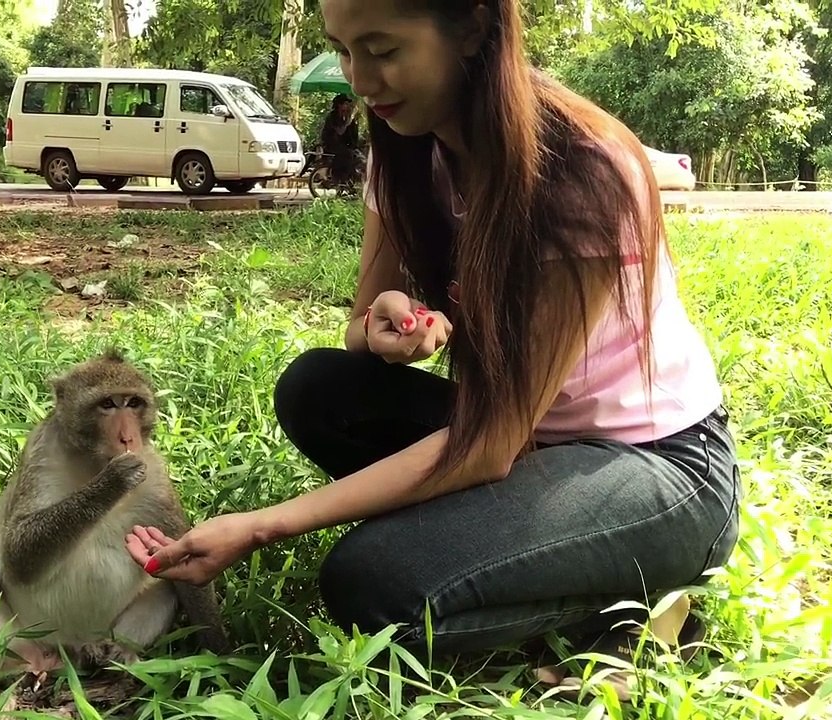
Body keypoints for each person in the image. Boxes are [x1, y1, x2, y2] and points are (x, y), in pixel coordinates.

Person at [125, 0, 741, 699]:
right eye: (344, 50)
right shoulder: (403, 151)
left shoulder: (580, 170)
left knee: (371, 585)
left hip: (658, 467)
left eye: (383, 50)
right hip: (529, 441)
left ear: (472, 28)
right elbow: (358, 329)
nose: (360, 80)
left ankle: (631, 602)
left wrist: (263, 526)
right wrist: (382, 327)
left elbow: (489, 441)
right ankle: (506, 553)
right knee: (317, 389)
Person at [318, 93, 361, 186]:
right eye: (345, 104)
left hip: (343, 144)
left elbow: (352, 133)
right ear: (339, 105)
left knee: (357, 156)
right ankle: (340, 179)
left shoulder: (346, 116)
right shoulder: (333, 116)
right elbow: (340, 131)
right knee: (347, 154)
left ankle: (351, 179)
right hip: (331, 143)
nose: (347, 106)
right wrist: (348, 122)